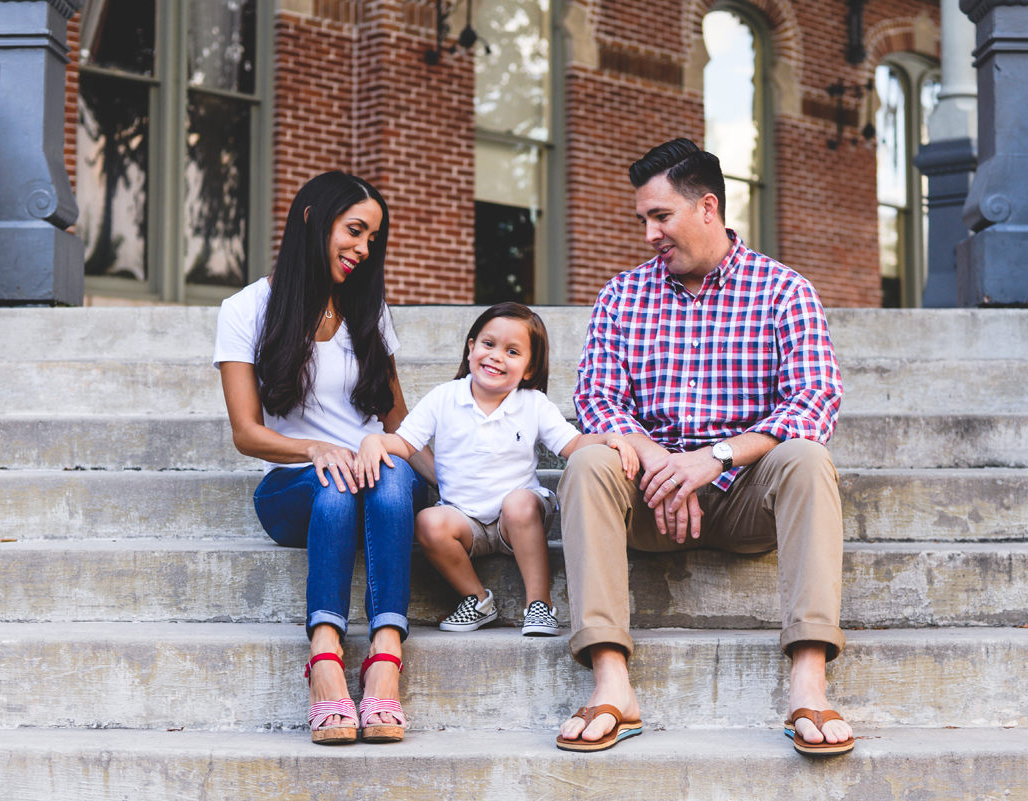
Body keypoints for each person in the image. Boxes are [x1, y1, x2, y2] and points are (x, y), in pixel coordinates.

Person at [555, 139, 853, 756]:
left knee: (807, 457)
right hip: (650, 495)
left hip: (746, 498)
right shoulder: (621, 295)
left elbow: (813, 401)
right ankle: (612, 681)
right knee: (587, 460)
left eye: (659, 216)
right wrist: (657, 458)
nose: (648, 234)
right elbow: (596, 399)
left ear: (707, 207)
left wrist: (711, 460)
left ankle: (808, 679)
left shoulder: (784, 290)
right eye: (643, 219)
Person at [214, 171, 432, 745]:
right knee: (335, 484)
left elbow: (397, 423)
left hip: (377, 480)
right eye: (355, 231)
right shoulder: (246, 309)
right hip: (295, 487)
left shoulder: (369, 308)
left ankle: (385, 654)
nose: (364, 249)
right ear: (312, 219)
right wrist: (318, 449)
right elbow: (246, 433)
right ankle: (326, 660)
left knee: (385, 473)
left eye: (372, 239)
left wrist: (446, 482)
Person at [356, 302, 639, 637]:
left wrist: (608, 439)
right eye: (489, 344)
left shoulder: (533, 403)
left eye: (512, 351)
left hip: (518, 520)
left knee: (518, 504)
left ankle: (539, 603)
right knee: (428, 523)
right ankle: (477, 600)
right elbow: (405, 443)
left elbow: (572, 445)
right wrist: (374, 443)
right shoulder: (444, 397)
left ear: (530, 368)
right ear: (471, 346)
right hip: (463, 520)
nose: (496, 356)